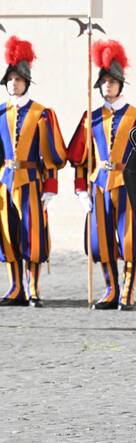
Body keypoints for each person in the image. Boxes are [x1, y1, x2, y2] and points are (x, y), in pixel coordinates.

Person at [67, 39, 136, 310]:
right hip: (99, 185)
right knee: (100, 241)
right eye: (103, 82)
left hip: (127, 183)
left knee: (130, 239)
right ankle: (110, 289)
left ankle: (127, 292)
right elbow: (79, 158)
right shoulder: (89, 118)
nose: (108, 86)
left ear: (120, 84)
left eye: (112, 81)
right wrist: (81, 189)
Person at [0, 36, 67, 307]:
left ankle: (33, 287)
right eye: (10, 79)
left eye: (18, 79)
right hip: (5, 181)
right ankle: (15, 287)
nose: (14, 83)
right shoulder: (0, 113)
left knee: (33, 236)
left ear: (26, 81)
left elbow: (52, 156)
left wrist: (50, 187)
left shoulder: (42, 114)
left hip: (31, 181)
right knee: (7, 234)